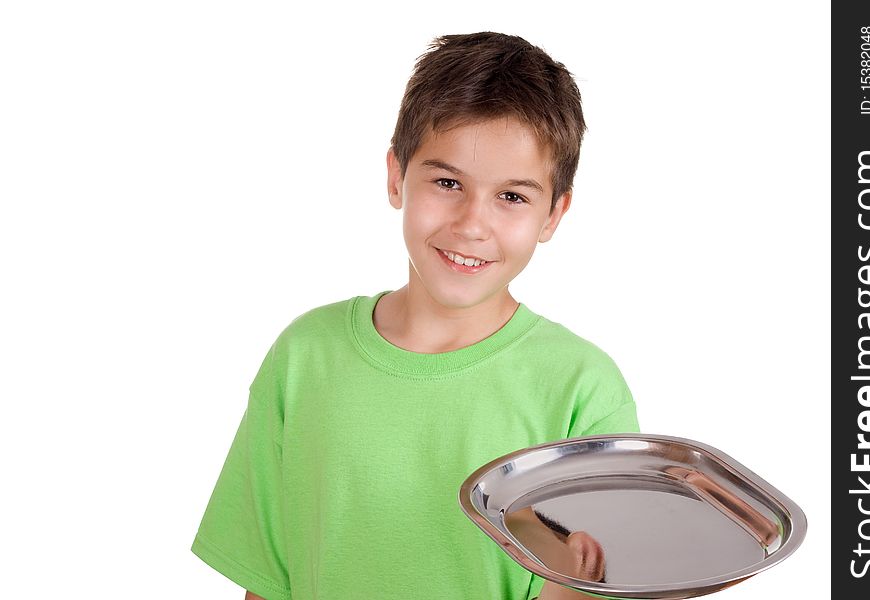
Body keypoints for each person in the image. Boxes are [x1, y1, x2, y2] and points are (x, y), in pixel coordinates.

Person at [191, 31, 640, 600]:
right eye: (448, 182)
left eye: (513, 197)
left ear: (554, 214)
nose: (472, 224)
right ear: (396, 176)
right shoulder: (305, 357)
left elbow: (593, 577)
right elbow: (265, 583)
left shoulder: (585, 391)